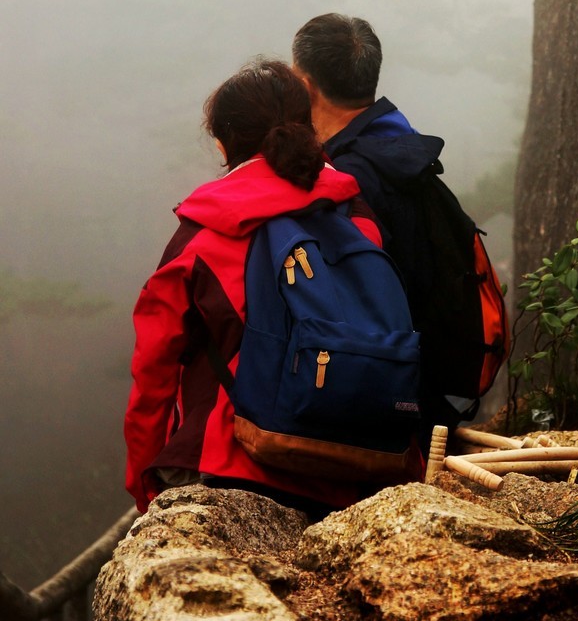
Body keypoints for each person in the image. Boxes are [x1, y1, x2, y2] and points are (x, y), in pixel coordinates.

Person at [122, 58, 409, 516]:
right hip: (348, 465)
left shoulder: (204, 232)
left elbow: (153, 371)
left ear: (223, 144)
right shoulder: (353, 213)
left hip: (228, 458)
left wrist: (143, 477)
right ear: (306, 127)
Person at [291, 13, 505, 431]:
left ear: (304, 86)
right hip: (428, 389)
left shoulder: (343, 182)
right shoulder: (404, 153)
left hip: (381, 406)